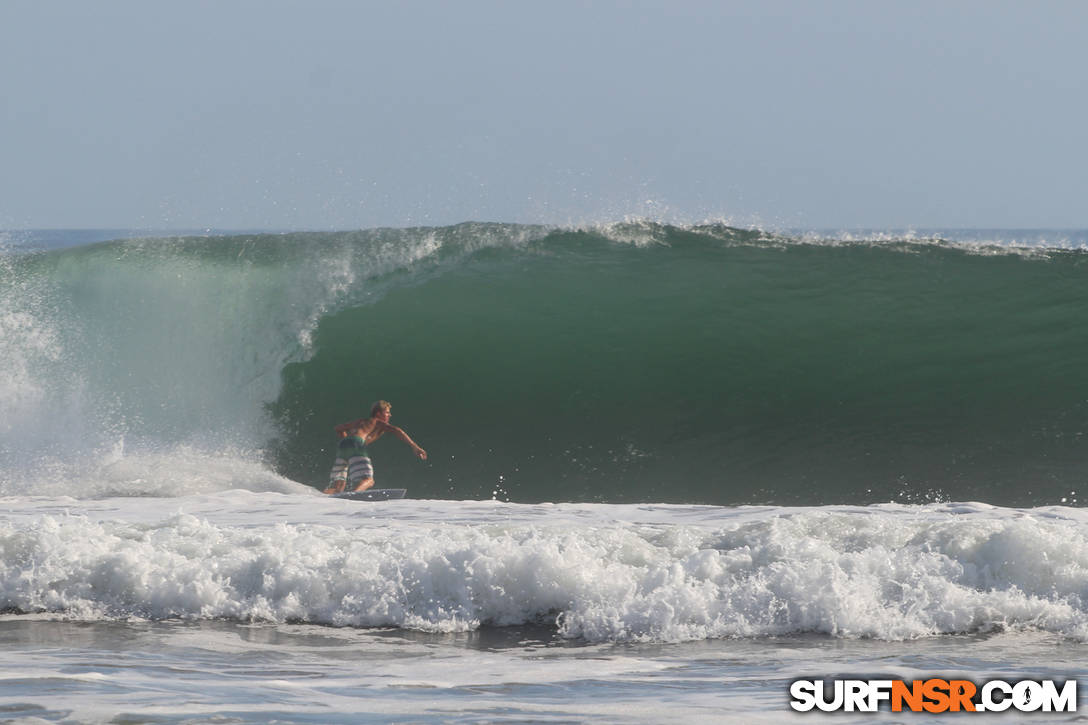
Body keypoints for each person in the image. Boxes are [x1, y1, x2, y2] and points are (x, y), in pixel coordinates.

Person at [323, 400, 427, 494]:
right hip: (356, 443)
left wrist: (348, 441)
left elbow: (338, 428)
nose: (389, 415)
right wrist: (415, 446)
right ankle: (353, 495)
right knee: (368, 480)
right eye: (387, 413)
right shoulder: (376, 421)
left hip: (343, 445)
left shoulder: (360, 421)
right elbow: (397, 430)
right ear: (378, 414)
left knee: (339, 487)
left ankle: (324, 496)